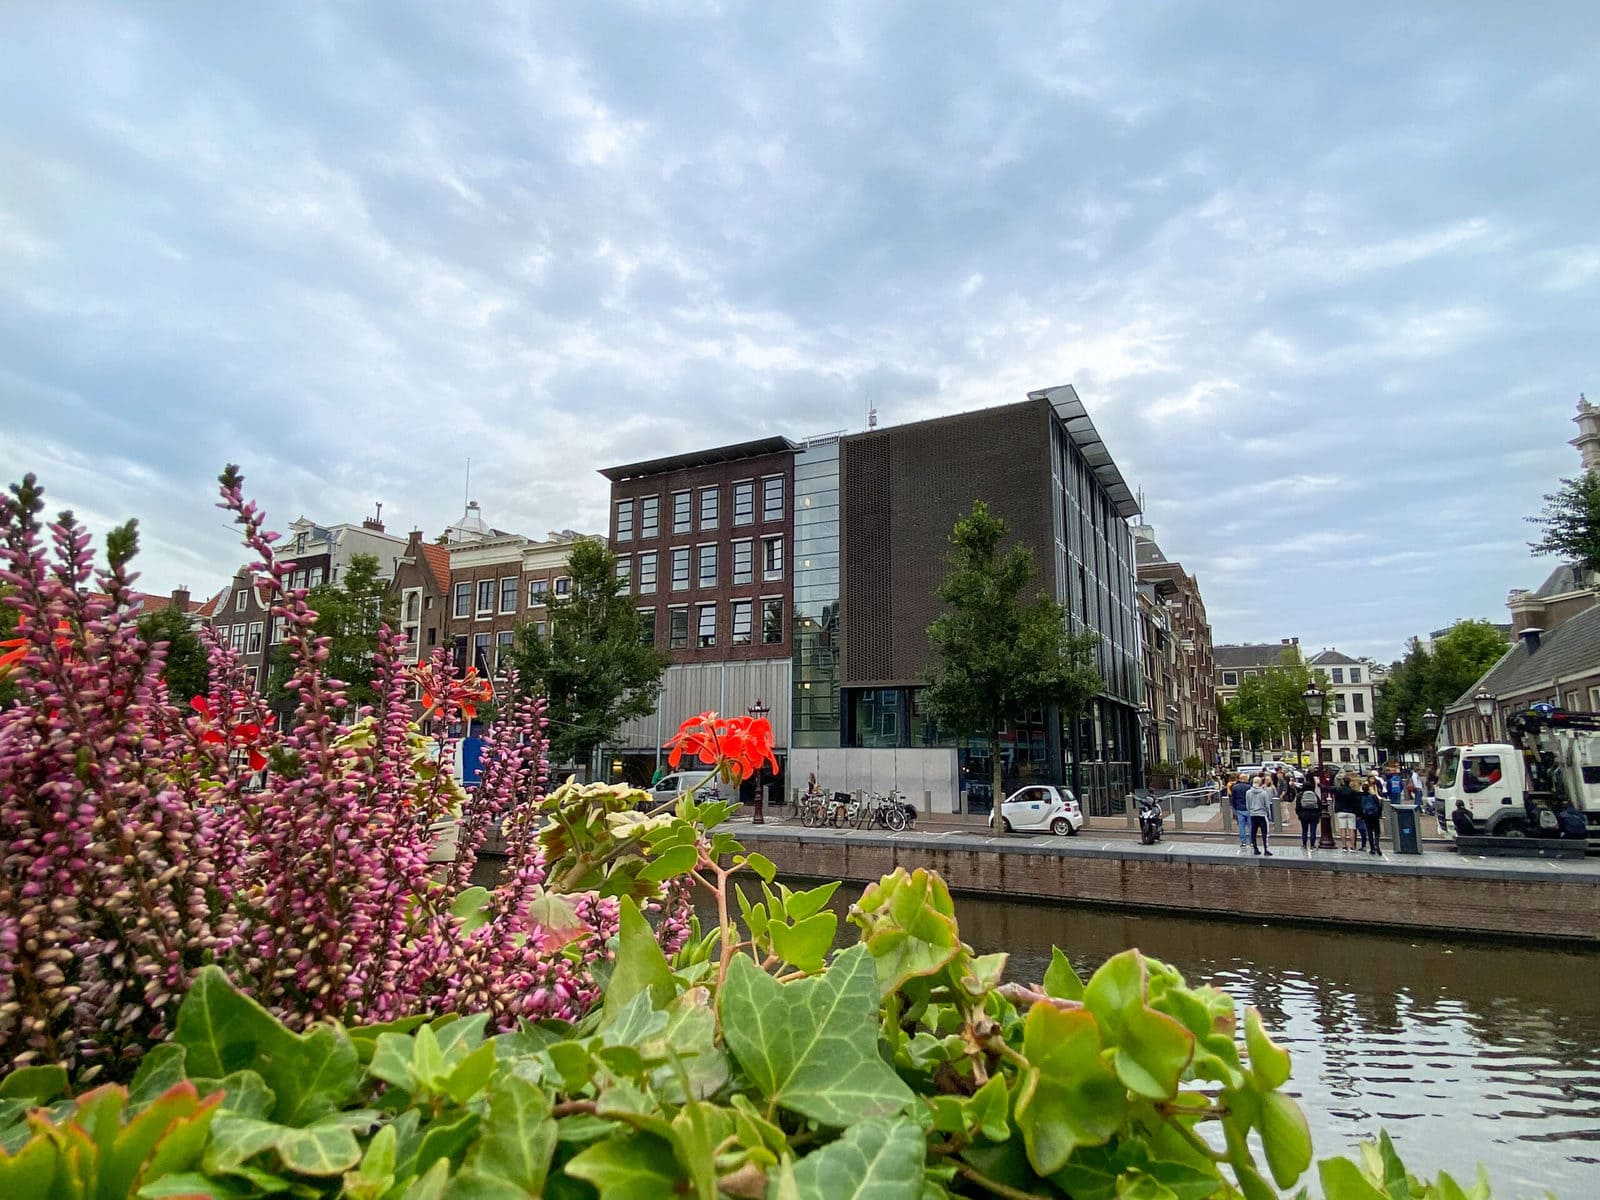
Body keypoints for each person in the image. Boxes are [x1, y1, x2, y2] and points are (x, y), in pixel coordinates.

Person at [1246, 774, 1275, 856]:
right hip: (1262, 815)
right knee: (1265, 833)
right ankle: (1266, 849)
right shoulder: (1264, 793)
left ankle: (1255, 848)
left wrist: (1251, 812)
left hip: (1253, 815)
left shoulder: (1248, 793)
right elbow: (1267, 806)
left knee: (1253, 832)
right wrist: (1269, 815)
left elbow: (1247, 805)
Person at [1333, 773, 1362, 851]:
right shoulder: (1353, 792)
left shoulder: (1338, 790)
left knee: (1342, 829)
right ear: (1349, 782)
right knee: (1351, 830)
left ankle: (1344, 846)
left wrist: (1319, 784)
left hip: (1341, 811)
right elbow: (1356, 802)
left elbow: (1328, 788)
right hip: (1351, 811)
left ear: (1343, 782)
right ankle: (1352, 846)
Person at [1296, 778, 1322, 854]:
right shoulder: (1315, 795)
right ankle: (1312, 845)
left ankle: (1304, 844)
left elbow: (1298, 806)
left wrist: (1299, 814)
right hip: (1314, 814)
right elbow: (1320, 805)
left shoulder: (1300, 795)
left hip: (1304, 814)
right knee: (1313, 831)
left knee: (1304, 830)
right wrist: (1318, 814)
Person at [1361, 778, 1385, 857]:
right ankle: (1376, 844)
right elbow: (1379, 806)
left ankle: (1372, 848)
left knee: (1369, 832)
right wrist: (1379, 814)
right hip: (1374, 815)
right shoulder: (1373, 796)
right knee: (1377, 831)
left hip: (1366, 816)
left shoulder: (1361, 797)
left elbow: (1360, 807)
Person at [1229, 773, 1252, 852]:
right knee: (1250, 825)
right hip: (1248, 808)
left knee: (1241, 826)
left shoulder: (1235, 787)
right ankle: (1251, 841)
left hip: (1239, 808)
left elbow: (1233, 798)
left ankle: (1243, 842)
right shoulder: (1249, 787)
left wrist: (1234, 807)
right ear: (1244, 779)